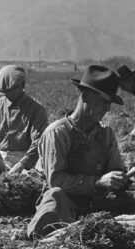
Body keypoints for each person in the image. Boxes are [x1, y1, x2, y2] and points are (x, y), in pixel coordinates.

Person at [27, 65, 135, 239]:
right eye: (104, 101)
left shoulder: (105, 133)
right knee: (54, 196)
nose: (107, 109)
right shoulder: (57, 133)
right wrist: (98, 182)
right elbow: (56, 180)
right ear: (85, 95)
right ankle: (54, 235)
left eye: (109, 103)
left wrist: (122, 179)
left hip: (98, 204)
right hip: (68, 205)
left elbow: (115, 171)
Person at [0, 65, 49, 174]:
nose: (8, 95)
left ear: (22, 85)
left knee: (29, 180)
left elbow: (39, 143)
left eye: (12, 91)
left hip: (27, 161)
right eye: (5, 92)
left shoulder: (36, 109)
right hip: (0, 158)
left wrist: (22, 164)